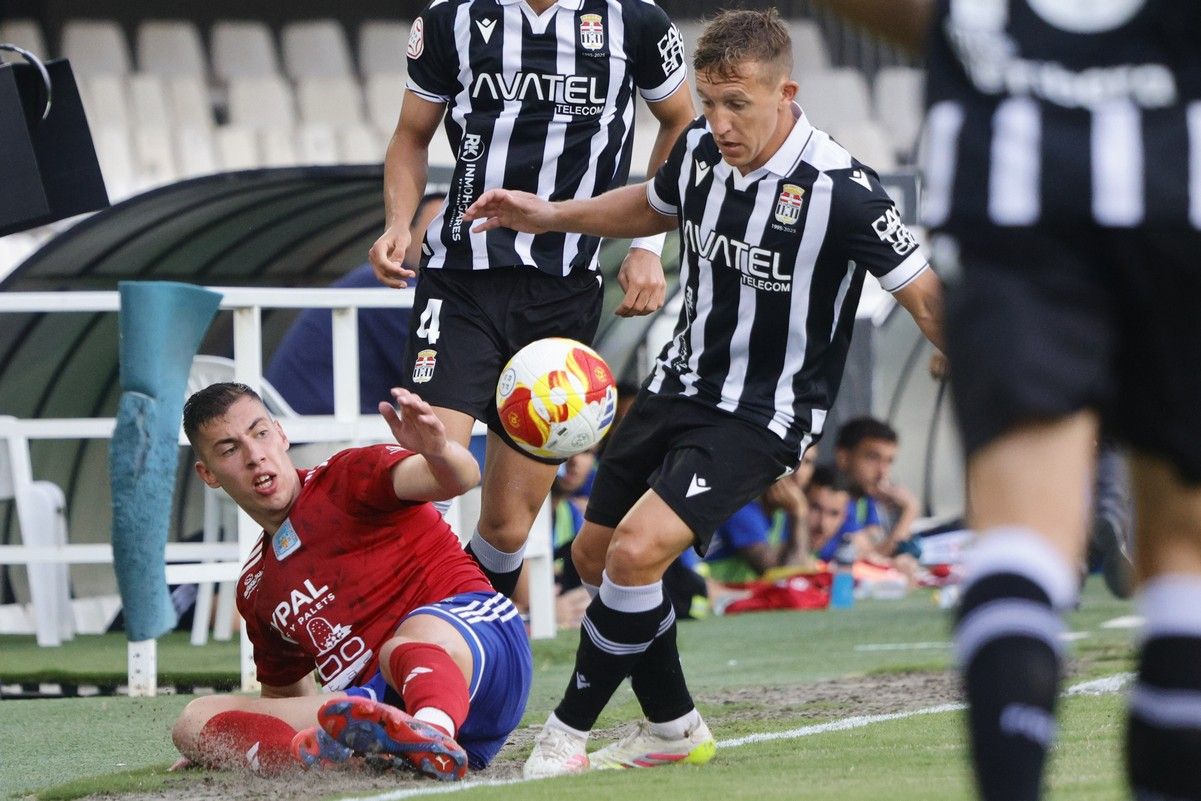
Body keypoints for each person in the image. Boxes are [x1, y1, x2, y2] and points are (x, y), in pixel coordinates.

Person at [464, 8, 943, 777]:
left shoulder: (844, 192)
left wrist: (958, 352)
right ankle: (674, 726)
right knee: (593, 556)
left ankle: (563, 734)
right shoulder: (696, 149)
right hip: (677, 386)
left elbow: (923, 291)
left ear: (785, 91)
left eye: (736, 104)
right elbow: (650, 205)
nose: (716, 122)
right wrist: (549, 213)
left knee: (634, 552)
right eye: (708, 101)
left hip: (762, 412)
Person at [815, 1, 1201, 799]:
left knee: (1021, 546)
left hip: (1009, 199)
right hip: (1175, 189)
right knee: (1182, 561)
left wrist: (976, 27)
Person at [368, 0, 697, 597]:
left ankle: (471, 653)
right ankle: (385, 621)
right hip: (460, 280)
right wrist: (396, 222)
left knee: (507, 525)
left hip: (563, 291)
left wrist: (649, 240)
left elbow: (680, 123)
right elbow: (411, 135)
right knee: (433, 473)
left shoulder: (637, 22)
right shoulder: (451, 21)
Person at [170, 383, 532, 781]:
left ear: (281, 434)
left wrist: (439, 450)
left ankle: (433, 733)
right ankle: (367, 752)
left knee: (402, 646)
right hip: (379, 706)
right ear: (208, 474)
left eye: (260, 434)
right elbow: (286, 702)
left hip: (480, 649)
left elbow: (458, 478)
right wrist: (236, 738)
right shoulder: (257, 588)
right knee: (194, 720)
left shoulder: (347, 477)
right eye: (229, 449)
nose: (255, 456)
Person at [265, 192, 446, 417]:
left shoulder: (378, 280)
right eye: (438, 228)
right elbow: (440, 375)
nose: (450, 239)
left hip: (309, 426)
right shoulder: (393, 286)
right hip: (318, 434)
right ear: (405, 236)